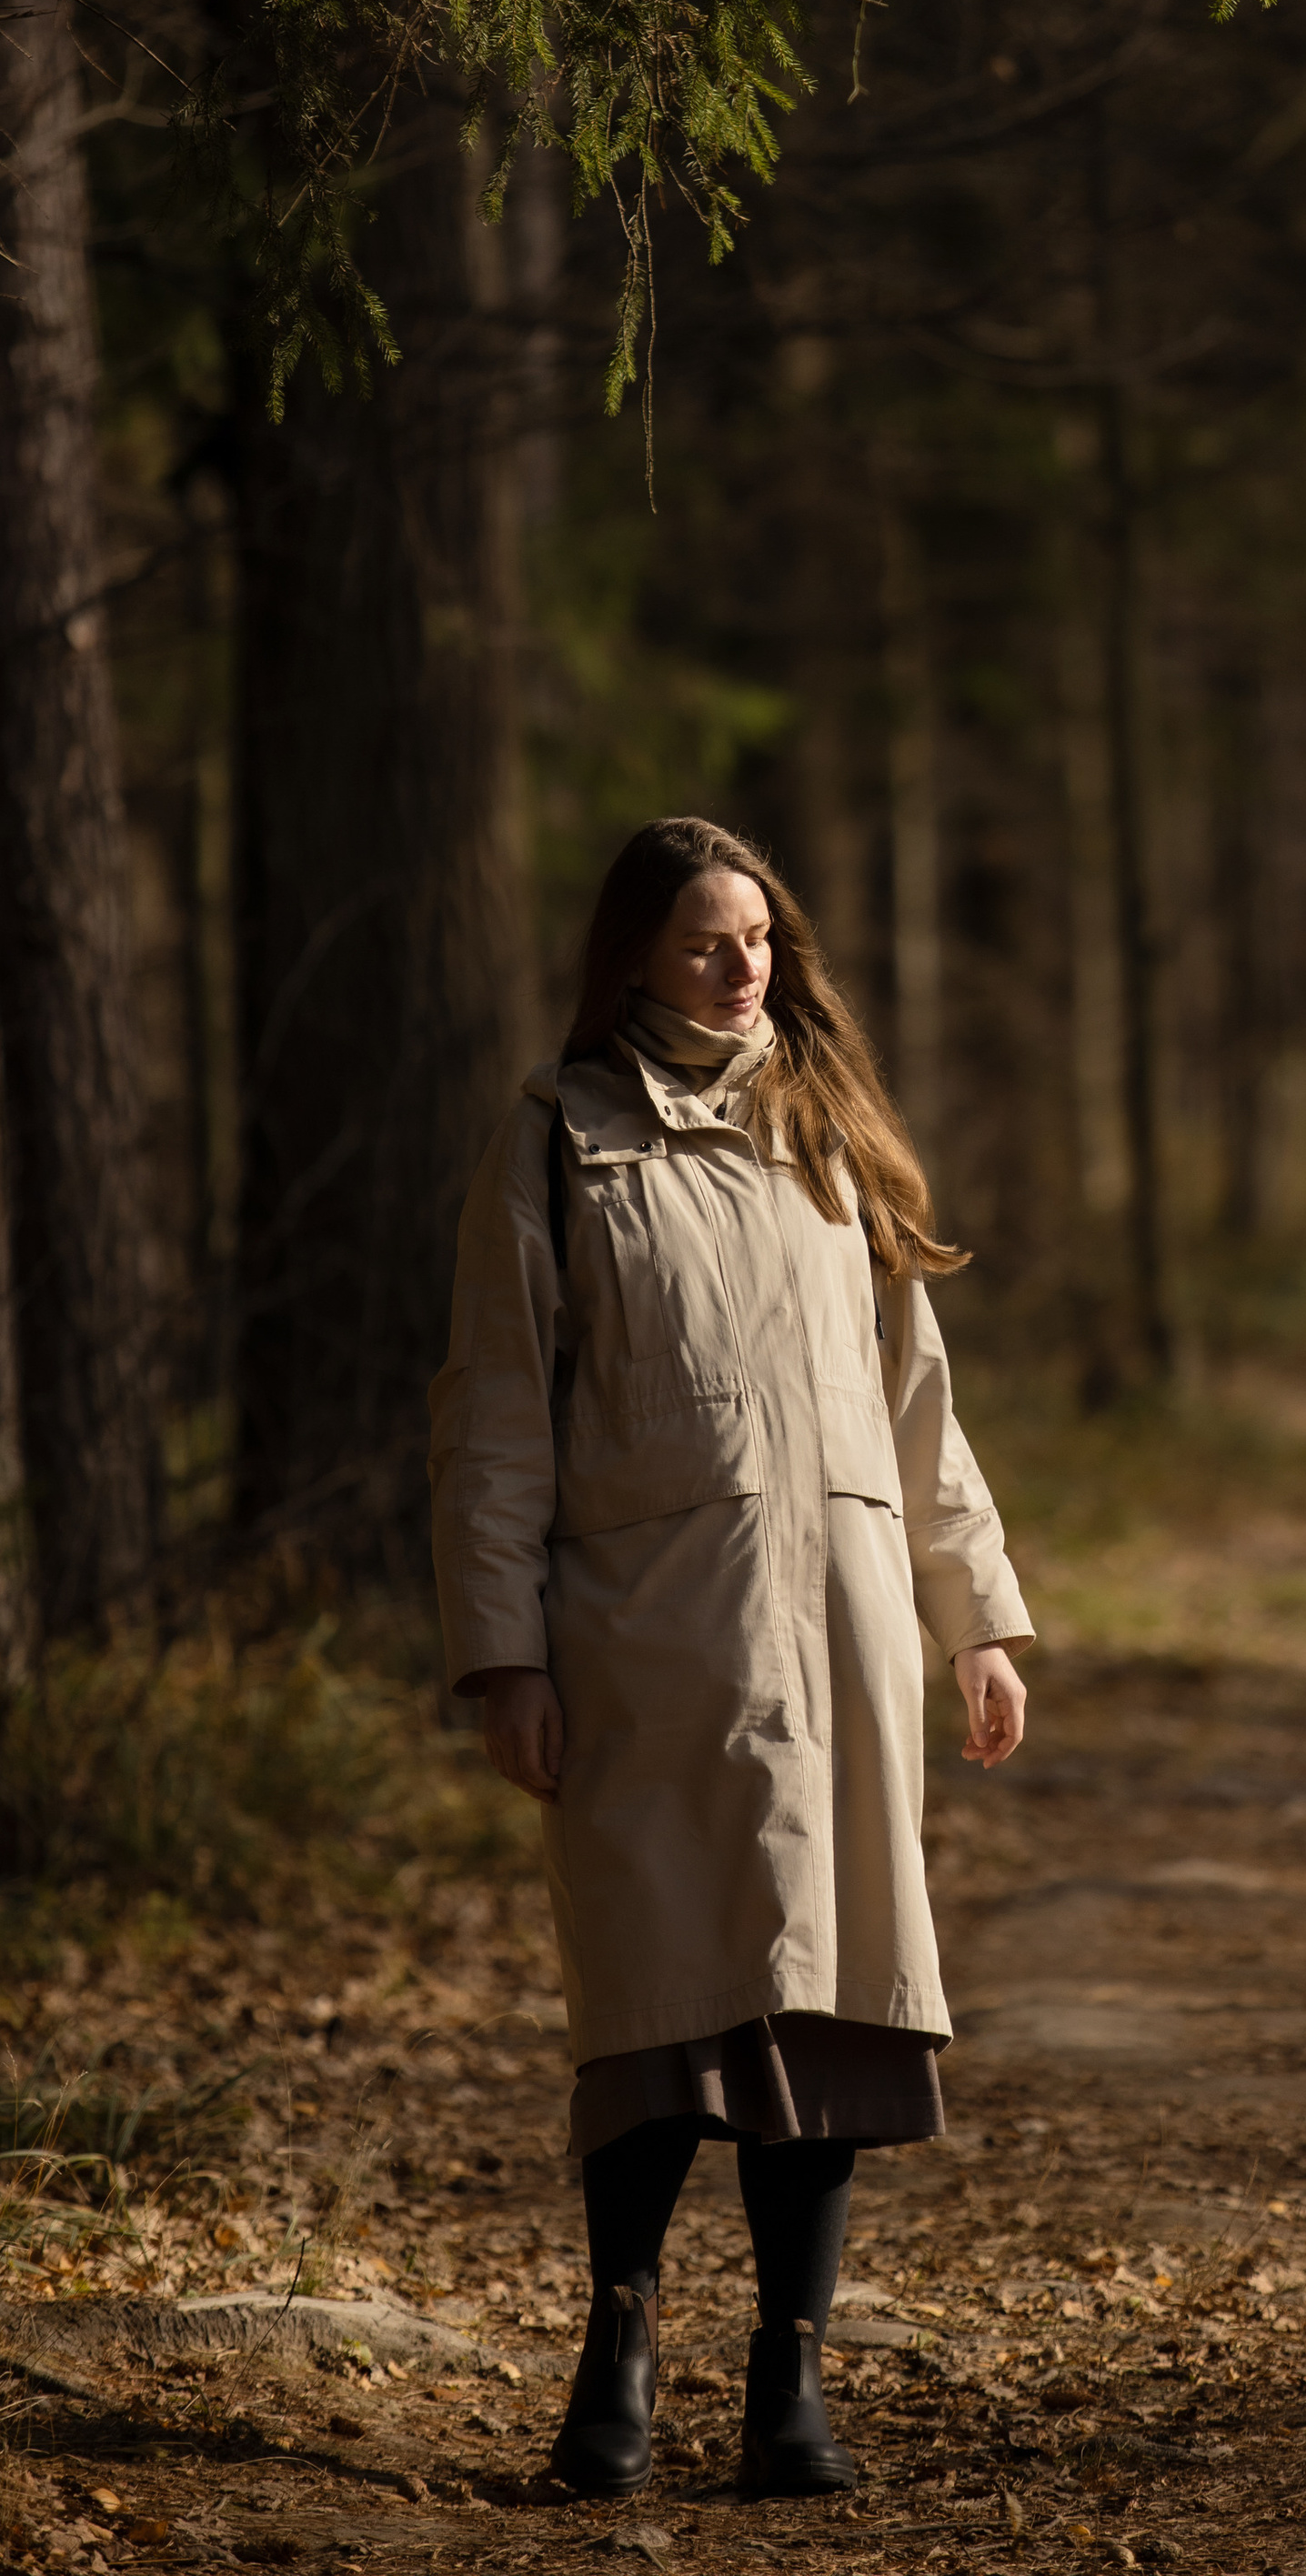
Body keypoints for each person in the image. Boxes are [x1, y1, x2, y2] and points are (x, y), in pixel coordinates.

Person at [427, 816, 1032, 2503]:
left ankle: (791, 2384)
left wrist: (973, 1615)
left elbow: (921, 1404)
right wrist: (504, 1655)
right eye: (708, 942)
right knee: (656, 2017)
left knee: (829, 2009)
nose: (743, 966)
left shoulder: (827, 1136)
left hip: (839, 1634)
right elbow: (490, 1421)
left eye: (760, 939)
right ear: (631, 958)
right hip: (648, 1643)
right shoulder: (557, 1141)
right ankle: (614, 2361)